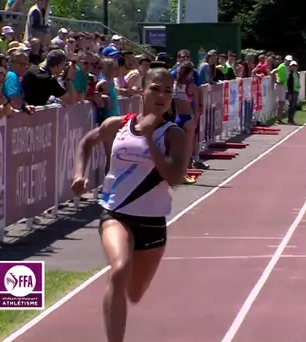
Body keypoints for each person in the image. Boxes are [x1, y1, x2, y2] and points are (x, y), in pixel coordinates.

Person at [71, 67, 188, 342]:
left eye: (168, 91)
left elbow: (174, 179)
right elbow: (86, 143)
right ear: (141, 91)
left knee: (134, 293)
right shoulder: (117, 125)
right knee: (119, 269)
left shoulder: (174, 135)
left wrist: (149, 138)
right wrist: (79, 174)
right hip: (115, 213)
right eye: (155, 89)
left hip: (153, 222)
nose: (162, 96)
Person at [172, 61, 200, 185]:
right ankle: (183, 174)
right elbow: (197, 107)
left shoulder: (174, 85)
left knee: (177, 148)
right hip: (188, 118)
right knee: (187, 148)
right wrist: (196, 120)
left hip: (177, 117)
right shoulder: (192, 87)